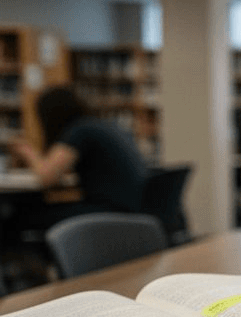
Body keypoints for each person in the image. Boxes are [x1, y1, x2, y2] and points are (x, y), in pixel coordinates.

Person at [9, 86, 148, 227]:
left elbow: (47, 178)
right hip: (131, 208)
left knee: (19, 216)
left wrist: (27, 152)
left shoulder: (79, 131)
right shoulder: (99, 125)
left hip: (110, 211)